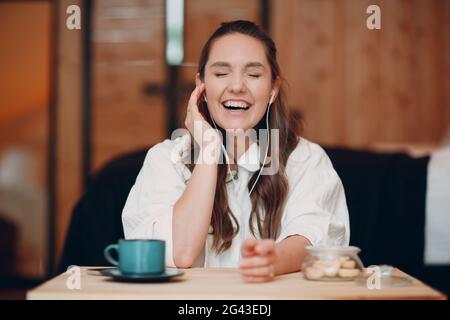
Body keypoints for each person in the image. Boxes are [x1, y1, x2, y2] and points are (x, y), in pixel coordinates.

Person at [122, 20, 349, 282]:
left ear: (273, 89)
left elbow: (313, 238)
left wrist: (273, 259)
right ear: (202, 89)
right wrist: (209, 150)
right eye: (221, 74)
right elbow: (180, 253)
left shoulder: (306, 158)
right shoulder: (165, 159)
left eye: (253, 75)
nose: (238, 86)